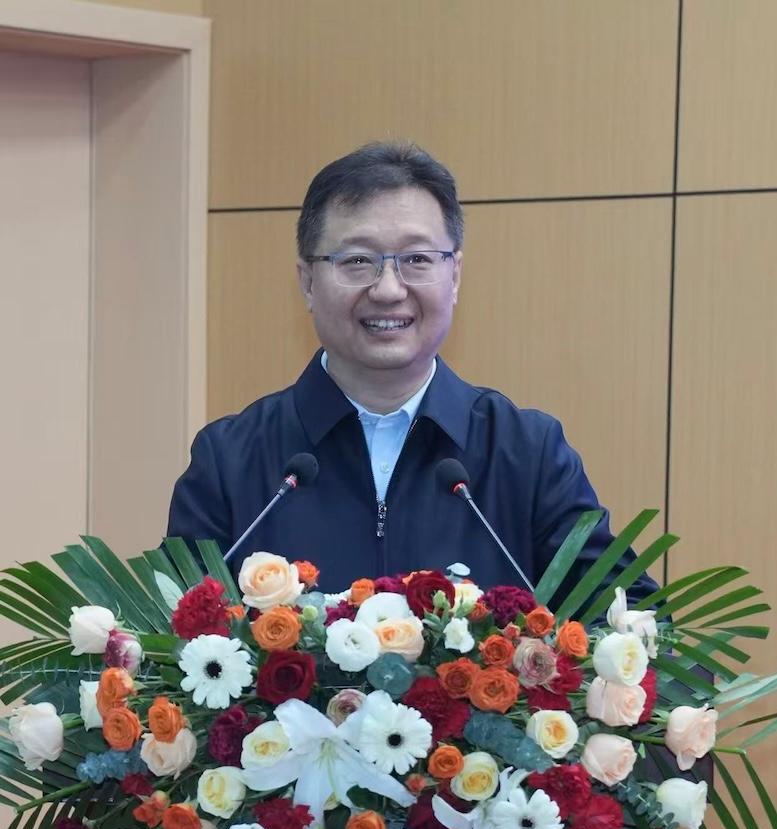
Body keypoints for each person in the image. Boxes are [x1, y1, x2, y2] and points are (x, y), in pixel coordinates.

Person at [167, 140, 657, 606]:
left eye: (417, 259)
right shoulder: (230, 460)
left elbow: (635, 624)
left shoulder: (525, 452)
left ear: (455, 276)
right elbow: (165, 633)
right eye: (357, 260)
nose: (387, 289)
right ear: (308, 281)